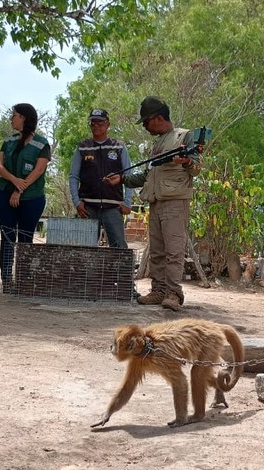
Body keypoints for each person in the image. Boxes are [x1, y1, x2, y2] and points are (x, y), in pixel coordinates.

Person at [105, 96, 200, 311]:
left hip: (175, 202)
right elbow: (149, 176)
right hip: (156, 202)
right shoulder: (157, 144)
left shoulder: (184, 136)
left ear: (157, 118)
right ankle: (158, 290)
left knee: (174, 250)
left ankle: (173, 293)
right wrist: (122, 179)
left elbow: (196, 168)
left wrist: (186, 162)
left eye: (146, 122)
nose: (146, 127)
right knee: (157, 251)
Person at [0, 103, 51, 293]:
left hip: (31, 197)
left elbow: (38, 170)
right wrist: (13, 181)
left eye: (15, 115)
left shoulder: (42, 144)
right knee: (7, 236)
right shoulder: (8, 141)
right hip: (5, 193)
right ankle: (6, 279)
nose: (12, 118)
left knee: (26, 238)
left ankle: (24, 280)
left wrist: (19, 190)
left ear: (25, 118)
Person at [69, 108, 133, 249]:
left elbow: (128, 175)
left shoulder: (119, 146)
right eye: (93, 122)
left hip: (114, 208)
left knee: (119, 249)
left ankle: (120, 272)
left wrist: (127, 202)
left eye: (100, 122)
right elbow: (73, 176)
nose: (96, 125)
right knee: (85, 249)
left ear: (108, 124)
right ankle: (86, 272)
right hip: (88, 208)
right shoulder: (82, 148)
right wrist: (76, 202)